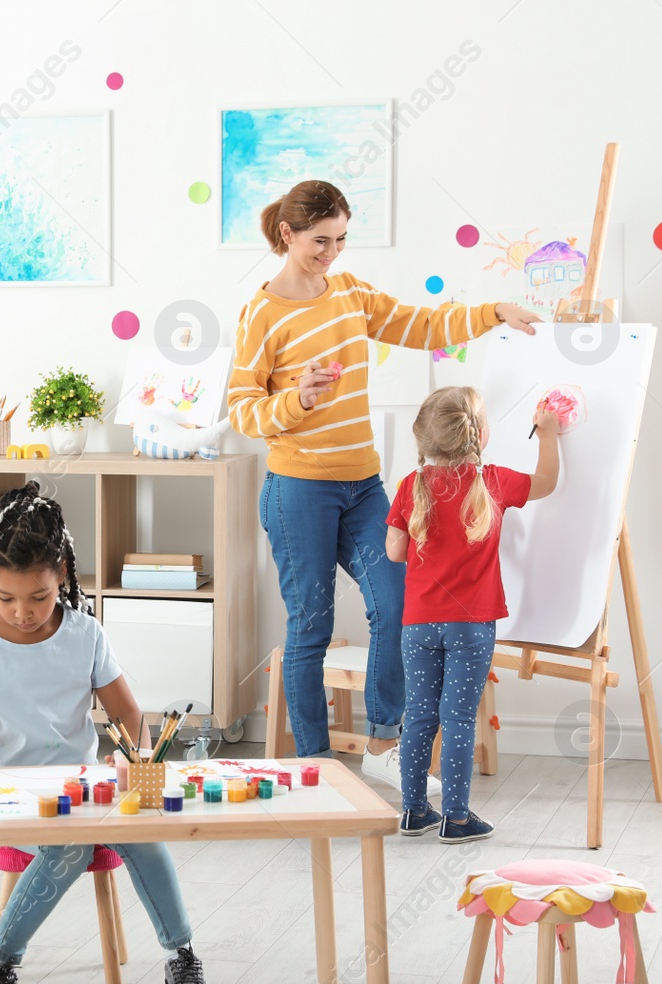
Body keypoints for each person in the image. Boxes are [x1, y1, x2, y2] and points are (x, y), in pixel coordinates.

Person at [228, 178, 541, 794]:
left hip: (363, 484)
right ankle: (311, 764)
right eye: (321, 241)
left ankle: (383, 743)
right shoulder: (262, 313)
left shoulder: (349, 292)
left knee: (397, 604)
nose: (332, 253)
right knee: (310, 624)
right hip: (299, 489)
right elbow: (242, 409)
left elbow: (420, 324)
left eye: (341, 239)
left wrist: (493, 313)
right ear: (287, 235)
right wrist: (296, 398)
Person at [0, 482, 214, 984]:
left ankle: (181, 956)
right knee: (71, 847)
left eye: (39, 597)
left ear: (62, 575)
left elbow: (129, 716)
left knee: (140, 829)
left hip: (81, 789)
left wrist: (136, 756)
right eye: (5, 599)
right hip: (9, 795)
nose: (22, 613)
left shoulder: (85, 635)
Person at [387, 387, 560, 841]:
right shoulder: (495, 482)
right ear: (479, 434)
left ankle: (413, 812)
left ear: (423, 436)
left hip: (418, 625)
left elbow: (393, 550)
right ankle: (457, 818)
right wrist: (547, 434)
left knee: (420, 716)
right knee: (459, 718)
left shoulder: (411, 485)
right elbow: (547, 482)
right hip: (471, 625)